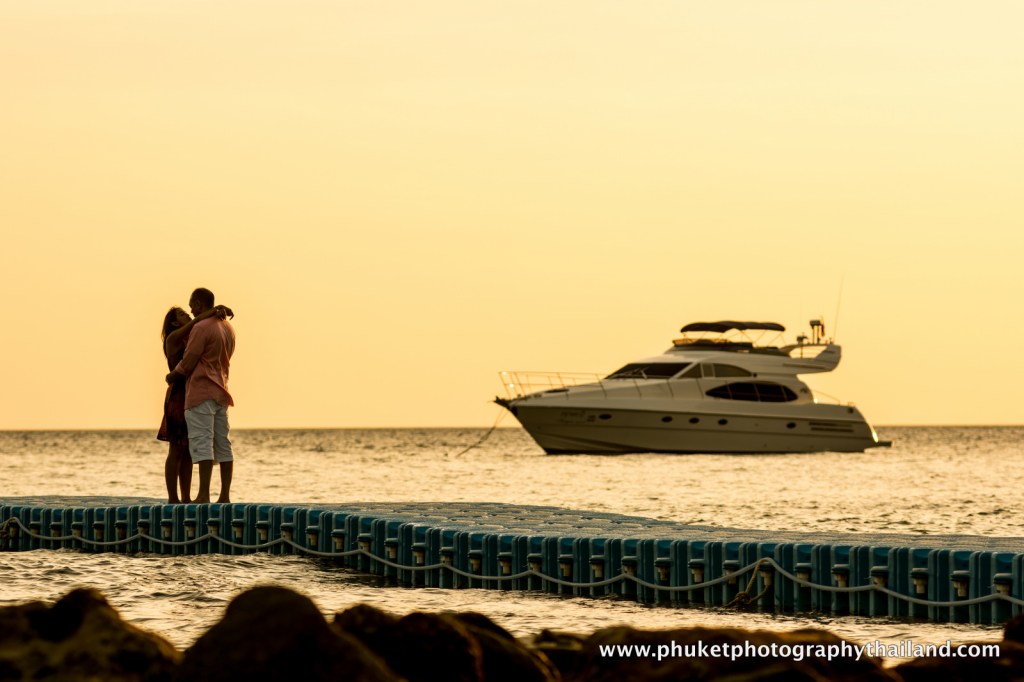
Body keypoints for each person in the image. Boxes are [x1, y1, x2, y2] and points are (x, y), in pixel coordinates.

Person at [167, 287, 237, 504]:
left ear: (198, 304)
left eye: (191, 305)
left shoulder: (200, 327)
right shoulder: (227, 328)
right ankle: (224, 495)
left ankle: (203, 494)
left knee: (202, 443)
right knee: (223, 444)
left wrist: (172, 376)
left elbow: (189, 361)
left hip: (200, 391)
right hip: (221, 390)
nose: (190, 309)